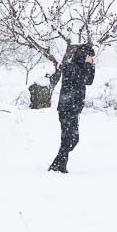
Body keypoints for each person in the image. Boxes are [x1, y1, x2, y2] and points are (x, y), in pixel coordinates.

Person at [48, 43, 95, 173]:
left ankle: (57, 165)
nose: (90, 58)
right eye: (88, 56)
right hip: (66, 108)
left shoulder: (82, 66)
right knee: (68, 139)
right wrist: (88, 64)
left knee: (73, 139)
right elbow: (83, 78)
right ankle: (58, 167)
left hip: (75, 109)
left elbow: (90, 80)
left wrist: (91, 65)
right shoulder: (69, 66)